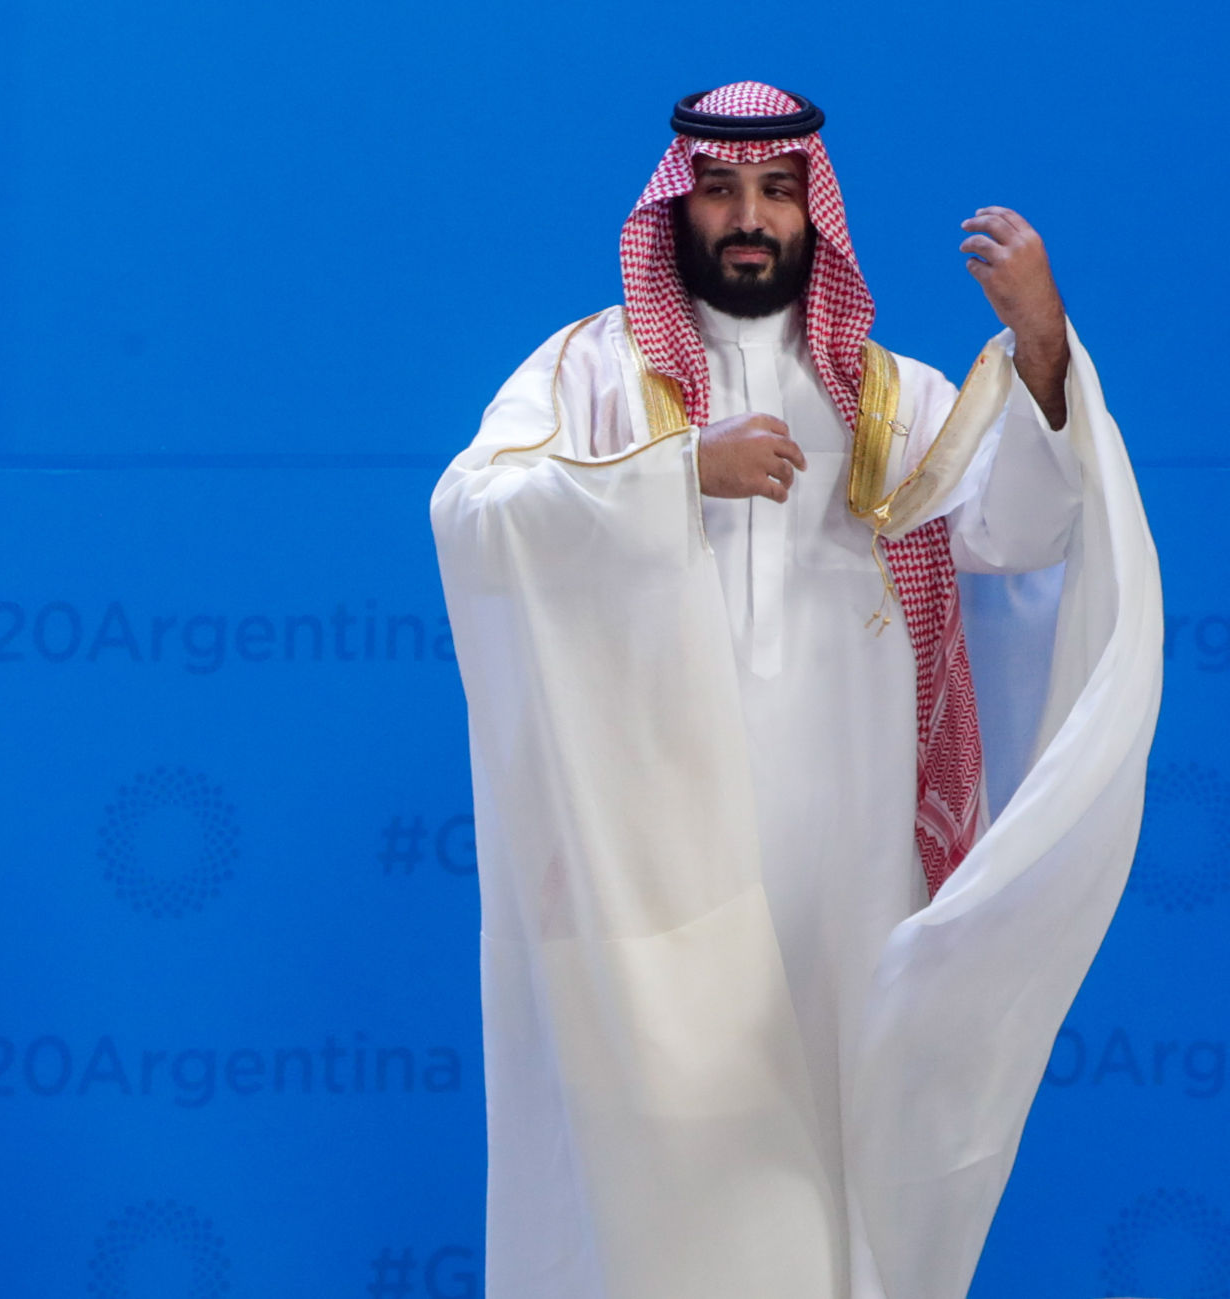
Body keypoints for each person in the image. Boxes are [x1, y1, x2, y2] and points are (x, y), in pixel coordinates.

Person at [431, 84, 1160, 1299]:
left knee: (832, 1154)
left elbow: (1021, 528)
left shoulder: (891, 396)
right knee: (658, 1172)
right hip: (651, 867)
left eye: (776, 191)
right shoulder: (589, 375)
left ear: (813, 214)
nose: (748, 218)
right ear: (676, 208)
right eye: (719, 190)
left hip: (847, 855)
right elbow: (471, 512)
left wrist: (1040, 352)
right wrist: (674, 475)